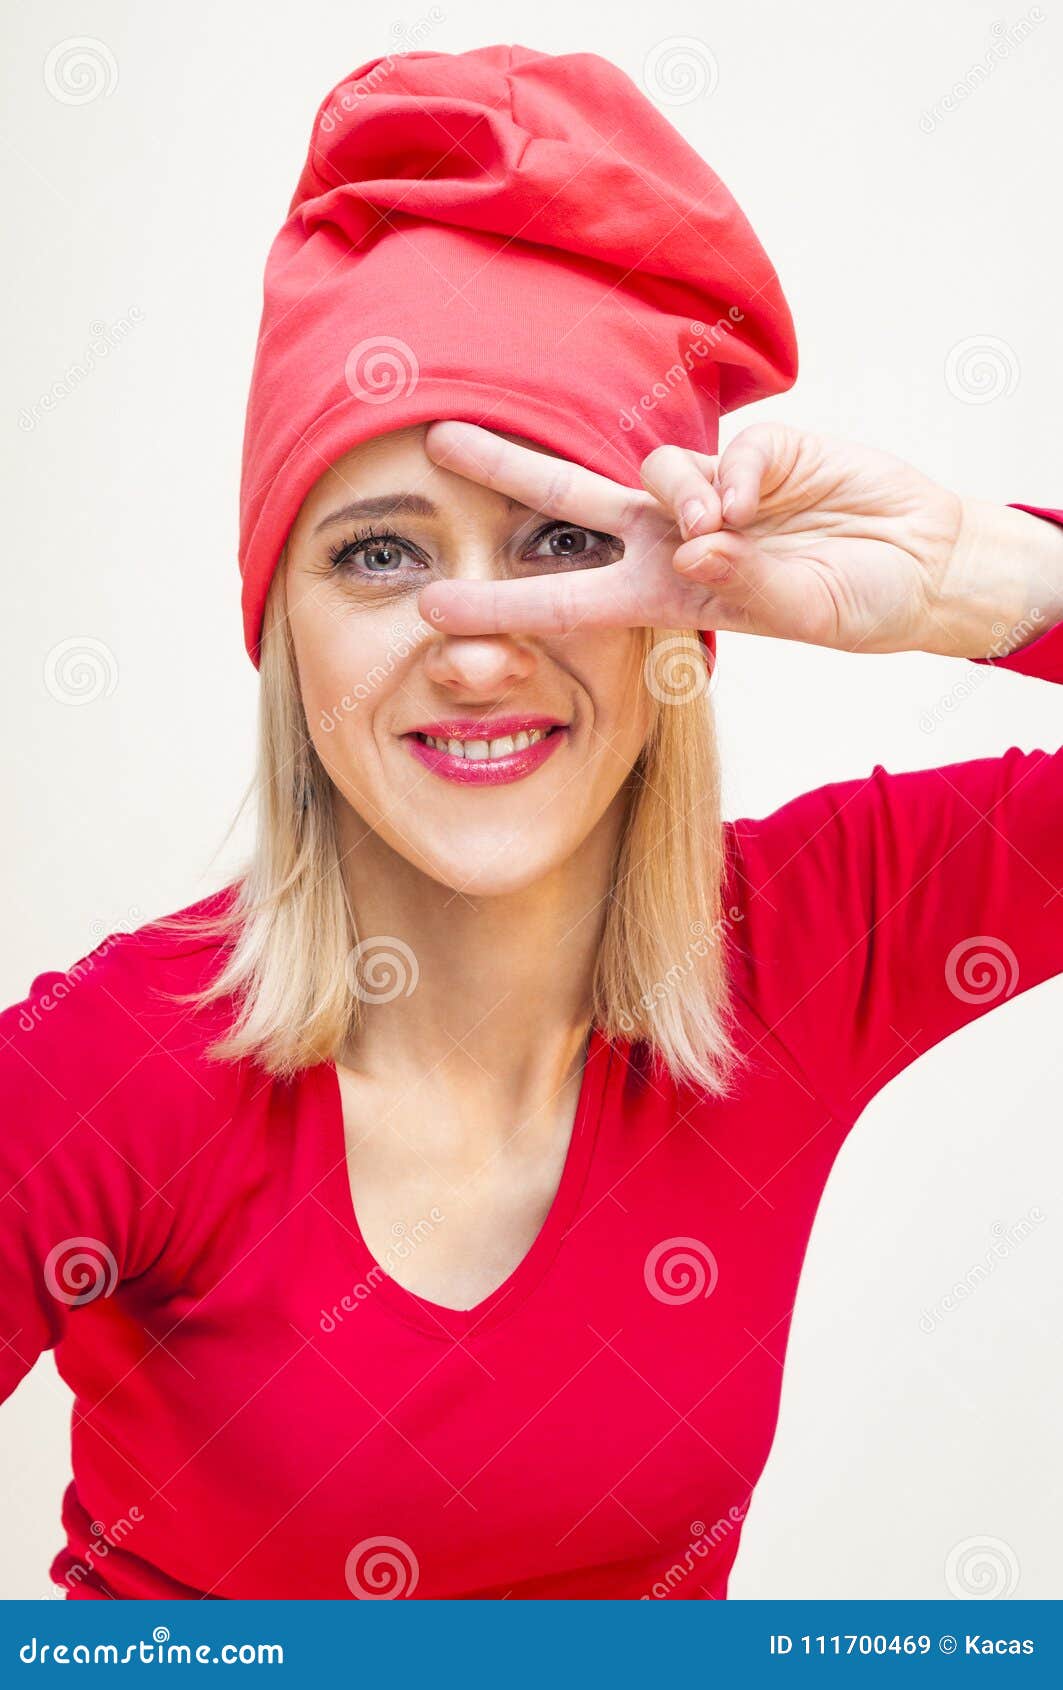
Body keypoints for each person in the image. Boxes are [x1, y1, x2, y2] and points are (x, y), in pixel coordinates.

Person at [2, 44, 1061, 1603]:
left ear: (686, 614)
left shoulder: (811, 943)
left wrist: (995, 579)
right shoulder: (115, 1073)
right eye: (377, 554)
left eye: (566, 539)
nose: (479, 634)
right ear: (284, 630)